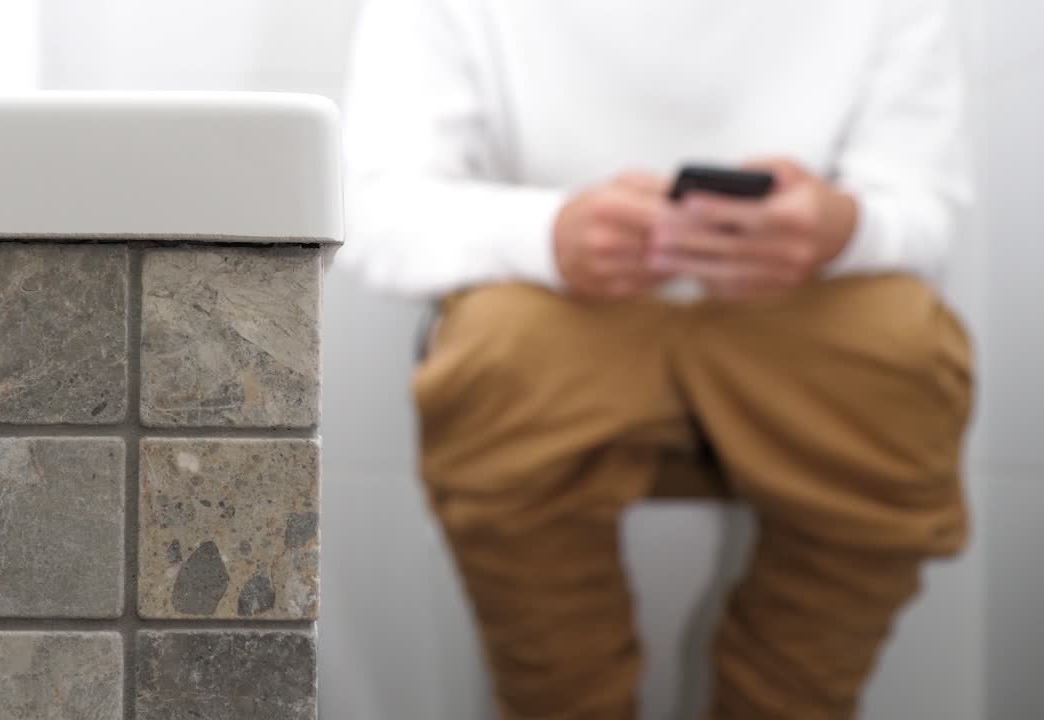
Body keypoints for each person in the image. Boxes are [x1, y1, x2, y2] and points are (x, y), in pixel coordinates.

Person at [342, 0, 973, 718]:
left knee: (904, 345)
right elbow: (375, 212)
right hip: (557, 333)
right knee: (501, 347)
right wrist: (549, 235)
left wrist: (840, 229)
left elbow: (926, 206)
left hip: (793, 329)